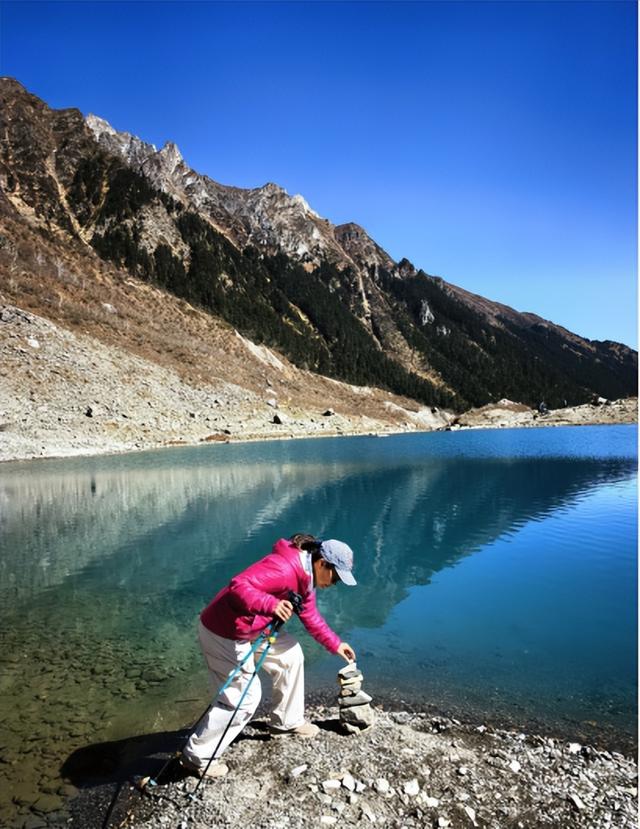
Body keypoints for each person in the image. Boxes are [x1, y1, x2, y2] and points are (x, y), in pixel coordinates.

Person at [180, 533, 357, 778]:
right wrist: (270, 605)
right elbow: (238, 586)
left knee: (291, 655)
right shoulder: (284, 569)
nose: (334, 583)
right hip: (224, 631)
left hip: (253, 627)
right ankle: (197, 756)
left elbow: (309, 615)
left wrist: (336, 644)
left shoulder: (306, 577)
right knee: (244, 697)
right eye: (335, 577)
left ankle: (286, 722)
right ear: (322, 563)